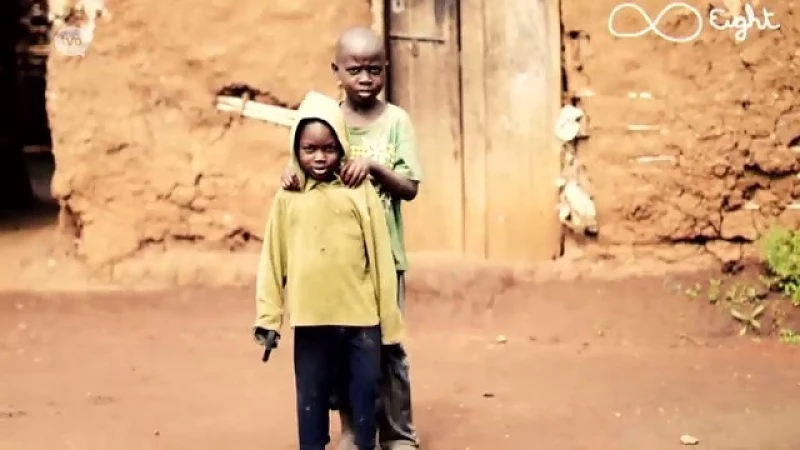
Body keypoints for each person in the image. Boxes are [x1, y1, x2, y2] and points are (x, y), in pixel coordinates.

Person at [281, 26, 423, 450]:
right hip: (339, 260)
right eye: (355, 69)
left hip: (383, 257)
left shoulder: (396, 121)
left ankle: (398, 434)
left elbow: (411, 186)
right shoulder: (329, 121)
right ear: (336, 71)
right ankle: (352, 430)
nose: (365, 78)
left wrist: (375, 169)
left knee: (388, 347)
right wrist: (289, 173)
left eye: (374, 70)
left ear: (386, 70)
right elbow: (305, 163)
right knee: (344, 349)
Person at [253, 91, 404, 450]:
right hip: (311, 320)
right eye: (309, 149)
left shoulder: (360, 191)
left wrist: (390, 324)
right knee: (312, 401)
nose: (320, 157)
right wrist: (268, 317)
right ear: (296, 149)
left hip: (361, 321)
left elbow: (381, 258)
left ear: (342, 147)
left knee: (364, 397)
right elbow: (273, 260)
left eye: (329, 148)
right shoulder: (288, 197)